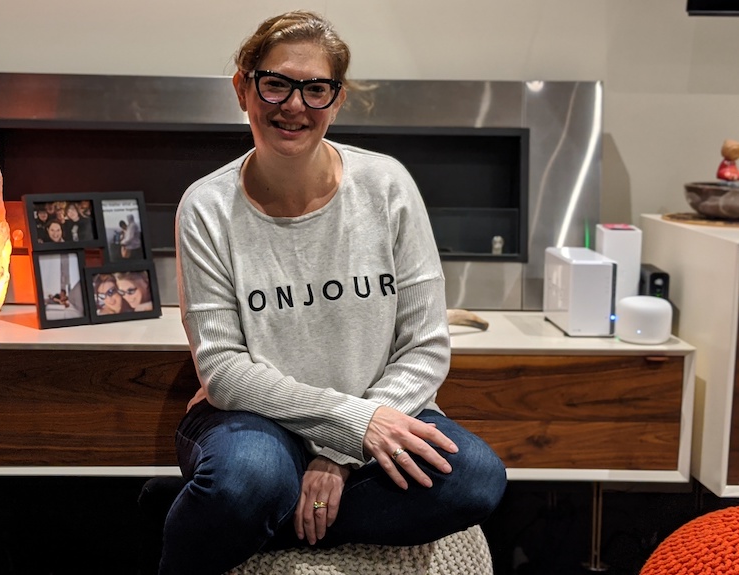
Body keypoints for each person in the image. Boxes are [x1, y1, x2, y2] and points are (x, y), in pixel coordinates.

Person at [164, 10, 506, 575]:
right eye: (275, 83)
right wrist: (356, 426)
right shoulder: (206, 205)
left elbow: (425, 348)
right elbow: (223, 370)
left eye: (315, 89)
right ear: (242, 89)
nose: (294, 105)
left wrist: (340, 451)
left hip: (378, 411)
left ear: (337, 98)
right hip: (255, 421)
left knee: (475, 477)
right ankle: (243, 508)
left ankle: (248, 523)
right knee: (247, 479)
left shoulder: (388, 185)